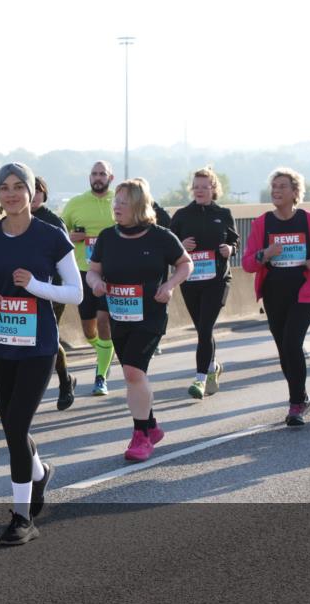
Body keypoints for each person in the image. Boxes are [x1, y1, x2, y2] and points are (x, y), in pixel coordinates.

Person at [0, 163, 82, 545]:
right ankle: (38, 473)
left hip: (38, 348)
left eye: (20, 186)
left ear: (32, 191)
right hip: (0, 347)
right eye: (5, 187)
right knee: (13, 429)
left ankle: (21, 517)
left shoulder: (51, 237)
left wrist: (35, 286)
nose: (12, 194)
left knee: (16, 428)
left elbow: (75, 292)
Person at [87, 179, 192, 461]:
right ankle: (152, 425)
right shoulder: (108, 237)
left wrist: (169, 285)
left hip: (150, 316)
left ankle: (141, 436)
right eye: (115, 202)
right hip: (119, 316)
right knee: (135, 376)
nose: (116, 207)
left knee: (132, 373)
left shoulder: (160, 236)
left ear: (138, 205)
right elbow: (93, 270)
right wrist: (96, 283)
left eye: (123, 202)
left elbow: (185, 264)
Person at [242, 168, 310, 426]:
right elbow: (249, 263)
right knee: (284, 349)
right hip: (273, 293)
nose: (276, 191)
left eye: (282, 186)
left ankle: (296, 404)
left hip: (304, 292)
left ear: (295, 192)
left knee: (292, 343)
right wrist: (267, 254)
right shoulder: (262, 223)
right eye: (274, 187)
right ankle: (301, 397)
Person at [170, 167, 239, 399]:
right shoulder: (181, 215)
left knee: (206, 327)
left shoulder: (224, 213)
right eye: (196, 186)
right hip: (190, 281)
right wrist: (181, 245)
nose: (200, 191)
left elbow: (234, 244)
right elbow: (169, 250)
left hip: (218, 280)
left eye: (205, 187)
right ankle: (213, 368)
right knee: (202, 330)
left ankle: (199, 379)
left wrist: (230, 249)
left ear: (213, 188)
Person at [62, 161, 117, 396]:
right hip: (83, 271)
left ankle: (101, 376)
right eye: (94, 173)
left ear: (110, 178)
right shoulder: (75, 204)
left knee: (104, 322)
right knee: (89, 330)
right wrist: (71, 236)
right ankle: (106, 351)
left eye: (102, 174)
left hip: (112, 272)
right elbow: (60, 232)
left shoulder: (120, 201)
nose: (98, 177)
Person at [31, 176, 77, 409]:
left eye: (38, 191)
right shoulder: (13, 219)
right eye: (30, 189)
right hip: (23, 290)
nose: (34, 195)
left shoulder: (53, 221)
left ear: (44, 194)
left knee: (49, 337)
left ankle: (65, 382)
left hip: (53, 289)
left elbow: (64, 260)